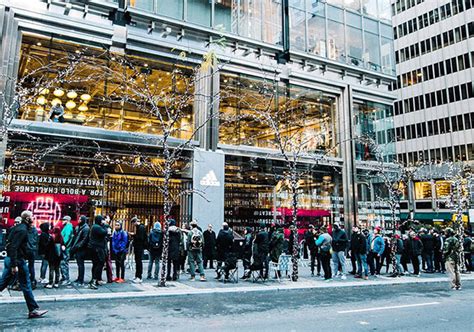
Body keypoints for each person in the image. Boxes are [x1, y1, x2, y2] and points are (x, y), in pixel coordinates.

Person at [0, 211, 48, 318]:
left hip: (14, 259)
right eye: (31, 217)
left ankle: (33, 309)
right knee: (26, 284)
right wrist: (14, 264)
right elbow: (13, 247)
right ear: (27, 219)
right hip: (18, 261)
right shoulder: (22, 230)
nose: (33, 218)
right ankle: (33, 310)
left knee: (4, 283)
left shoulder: (17, 228)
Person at [87, 215, 107, 290]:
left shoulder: (94, 226)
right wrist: (105, 224)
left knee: (95, 264)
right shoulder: (97, 227)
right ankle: (94, 281)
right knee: (99, 263)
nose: (103, 221)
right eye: (102, 220)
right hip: (97, 248)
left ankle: (95, 279)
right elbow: (104, 232)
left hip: (94, 247)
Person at [70, 215, 89, 286]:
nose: (78, 221)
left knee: (81, 265)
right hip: (78, 248)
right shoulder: (80, 227)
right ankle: (79, 278)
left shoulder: (86, 228)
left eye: (80, 219)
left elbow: (84, 240)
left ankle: (81, 279)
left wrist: (78, 246)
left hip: (82, 249)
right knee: (79, 264)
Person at [60, 216, 74, 286]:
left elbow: (66, 237)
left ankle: (66, 279)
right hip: (65, 247)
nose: (62, 221)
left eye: (63, 220)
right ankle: (64, 278)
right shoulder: (68, 226)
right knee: (63, 263)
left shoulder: (68, 227)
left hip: (65, 248)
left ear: (67, 220)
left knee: (64, 263)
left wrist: (63, 244)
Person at [131, 216, 146, 283]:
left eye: (133, 223)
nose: (133, 225)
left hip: (139, 247)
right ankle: (137, 276)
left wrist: (133, 235)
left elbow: (140, 238)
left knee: (138, 262)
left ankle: (139, 276)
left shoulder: (141, 228)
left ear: (135, 222)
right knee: (137, 262)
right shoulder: (139, 227)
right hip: (138, 247)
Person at [26, 220, 39, 289]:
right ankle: (32, 280)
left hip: (26, 249)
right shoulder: (35, 230)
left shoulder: (26, 230)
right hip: (33, 249)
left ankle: (25, 280)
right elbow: (36, 239)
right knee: (31, 266)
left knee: (23, 265)